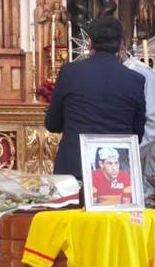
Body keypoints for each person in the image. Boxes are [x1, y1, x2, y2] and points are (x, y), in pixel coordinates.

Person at [45, 16, 147, 179]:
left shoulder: (70, 72)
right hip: (118, 171)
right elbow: (138, 133)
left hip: (75, 166)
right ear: (121, 44)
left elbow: (52, 123)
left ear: (90, 43)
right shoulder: (135, 79)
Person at [121, 42, 155, 197]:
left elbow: (154, 121)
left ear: (122, 48)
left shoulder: (143, 73)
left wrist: (130, 153)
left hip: (137, 154)